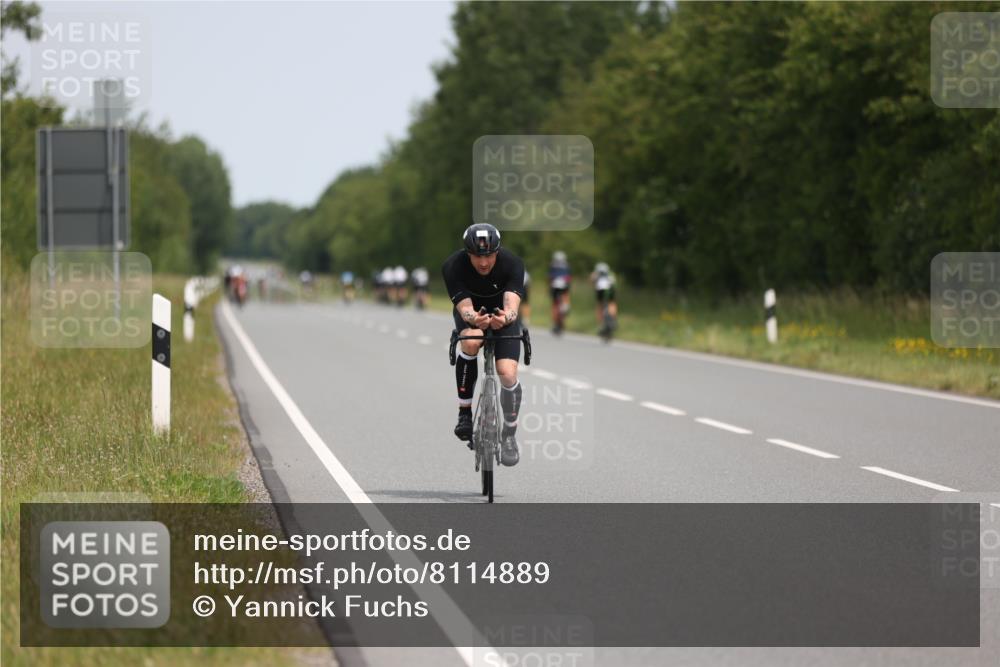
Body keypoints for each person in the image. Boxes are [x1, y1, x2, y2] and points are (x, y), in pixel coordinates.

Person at [442, 223, 525, 467]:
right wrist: (474, 319)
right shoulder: (453, 266)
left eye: (488, 255)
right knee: (471, 341)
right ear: (468, 253)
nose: (484, 262)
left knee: (507, 373)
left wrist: (505, 318)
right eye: (477, 256)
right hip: (472, 314)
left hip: (502, 316)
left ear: (497, 252)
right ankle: (464, 412)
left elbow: (512, 308)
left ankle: (509, 434)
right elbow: (465, 308)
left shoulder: (512, 263)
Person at [590, 262, 618, 336]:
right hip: (610, 290)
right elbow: (614, 283)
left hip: (600, 291)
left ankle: (601, 324)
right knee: (612, 303)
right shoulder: (610, 274)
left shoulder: (596, 274)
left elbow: (592, 280)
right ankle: (612, 319)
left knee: (599, 306)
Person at [548, 250, 572, 334]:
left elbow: (550, 277)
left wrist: (549, 288)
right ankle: (566, 304)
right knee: (565, 295)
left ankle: (554, 322)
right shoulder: (567, 265)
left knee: (554, 304)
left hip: (555, 285)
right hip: (564, 285)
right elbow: (569, 278)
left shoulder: (552, 265)